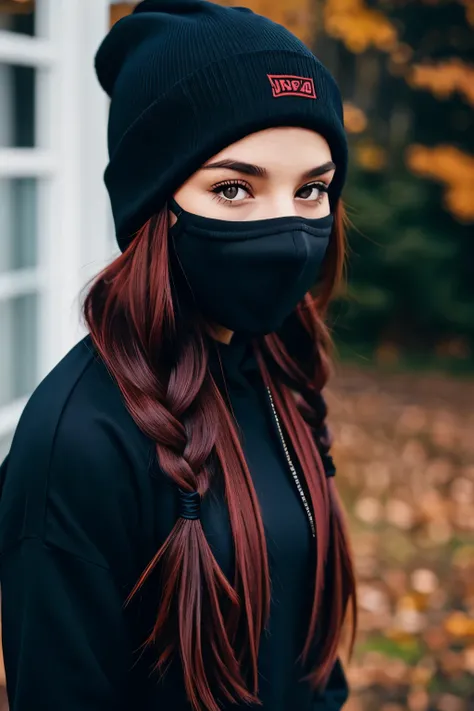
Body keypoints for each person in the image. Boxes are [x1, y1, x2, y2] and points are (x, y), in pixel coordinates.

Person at [0, 1, 357, 710]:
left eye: (311, 188)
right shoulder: (75, 443)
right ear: (154, 205)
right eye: (233, 188)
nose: (287, 230)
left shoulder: (275, 369)